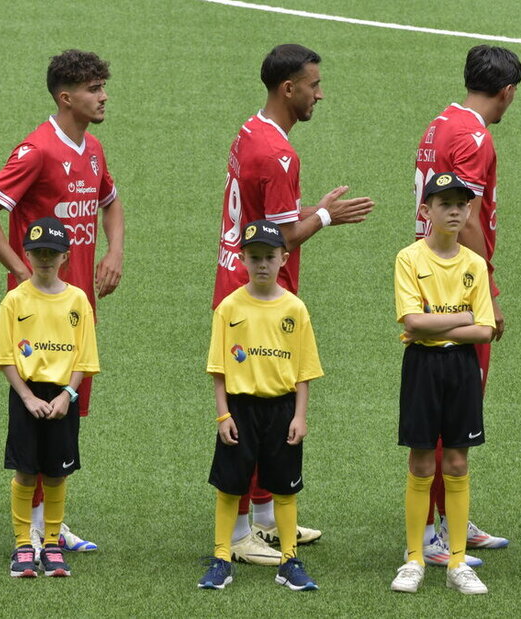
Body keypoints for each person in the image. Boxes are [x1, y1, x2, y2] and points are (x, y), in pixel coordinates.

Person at [212, 42, 373, 565]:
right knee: (252, 409)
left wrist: (309, 206)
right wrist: (326, 218)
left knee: (269, 408)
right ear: (289, 88)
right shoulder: (278, 153)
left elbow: (269, 216)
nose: (319, 94)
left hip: (245, 289)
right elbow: (278, 241)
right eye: (314, 84)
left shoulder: (251, 131)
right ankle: (237, 534)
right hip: (255, 295)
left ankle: (262, 520)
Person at [0, 49, 124, 553]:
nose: (103, 96)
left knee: (69, 405)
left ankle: (46, 521)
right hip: (37, 310)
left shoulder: (93, 147)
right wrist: (18, 272)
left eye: (103, 86)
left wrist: (114, 250)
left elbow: (110, 201)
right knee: (36, 407)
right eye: (93, 88)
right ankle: (34, 525)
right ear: (66, 97)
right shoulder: (35, 150)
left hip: (76, 303)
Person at [412, 44, 521, 566]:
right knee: (451, 411)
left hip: (431, 273)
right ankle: (434, 536)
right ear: (506, 91)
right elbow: (469, 217)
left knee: (446, 410)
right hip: (454, 284)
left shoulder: (440, 124)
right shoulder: (475, 136)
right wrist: (488, 294)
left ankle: (449, 521)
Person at [199, 221, 323, 591]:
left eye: (270, 257)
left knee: (285, 488)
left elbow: (304, 371)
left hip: (282, 409)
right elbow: (218, 369)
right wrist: (223, 414)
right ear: (243, 260)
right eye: (255, 258)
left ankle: (289, 559)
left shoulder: (295, 309)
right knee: (230, 485)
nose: (263, 265)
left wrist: (300, 416)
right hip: (240, 409)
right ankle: (222, 556)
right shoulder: (229, 308)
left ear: (284, 258)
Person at [391, 172, 494, 596]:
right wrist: (462, 318)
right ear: (426, 210)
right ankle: (414, 558)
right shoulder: (409, 259)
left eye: (461, 204)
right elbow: (411, 322)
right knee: (421, 462)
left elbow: (486, 331)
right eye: (444, 203)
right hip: (422, 367)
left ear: (469, 211)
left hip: (461, 369)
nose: (454, 211)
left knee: (456, 462)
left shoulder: (474, 264)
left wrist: (441, 325)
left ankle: (456, 562)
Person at [0, 217, 99, 578]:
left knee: (56, 475)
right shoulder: (15, 300)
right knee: (25, 473)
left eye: (51, 253)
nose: (44, 260)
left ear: (65, 257)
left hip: (62, 399)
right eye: (37, 252)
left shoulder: (78, 300)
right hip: (28, 397)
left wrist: (69, 394)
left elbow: (85, 357)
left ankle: (51, 543)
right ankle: (24, 544)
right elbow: (5, 357)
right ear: (26, 254)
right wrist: (26, 397)